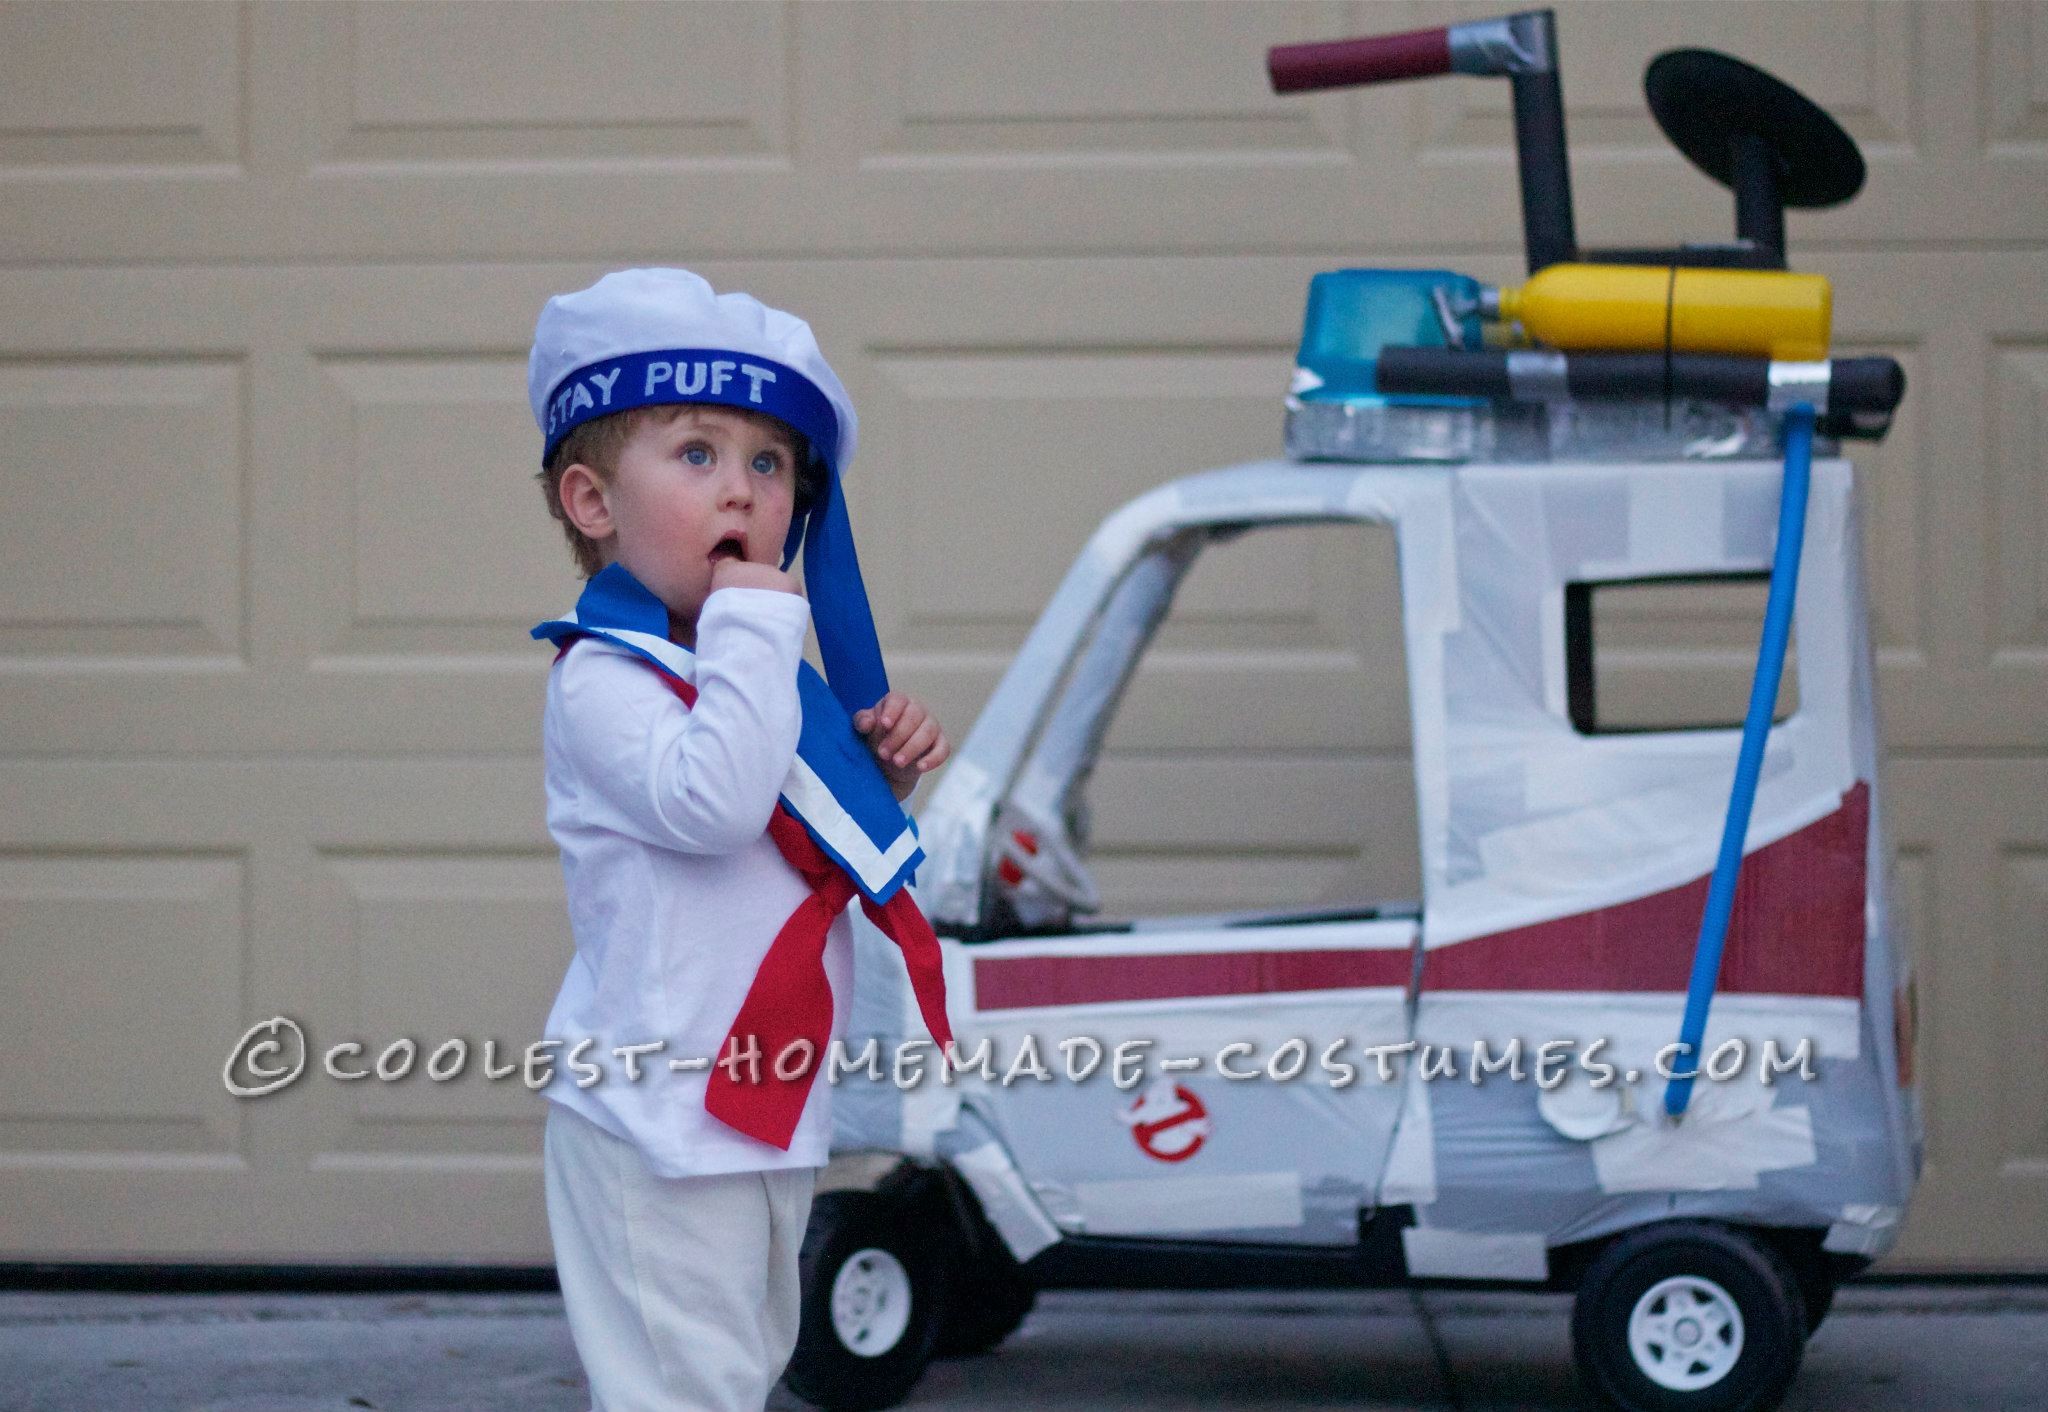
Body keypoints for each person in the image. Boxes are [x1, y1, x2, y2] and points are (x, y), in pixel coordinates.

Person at [524, 268, 955, 1412]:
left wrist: (880, 777)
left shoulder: (750, 675)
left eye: (769, 465)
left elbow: (788, 841)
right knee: (687, 1387)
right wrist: (761, 617)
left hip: (754, 1102)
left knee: (741, 1365)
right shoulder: (604, 678)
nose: (743, 493)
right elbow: (713, 802)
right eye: (697, 455)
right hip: (655, 1115)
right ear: (591, 501)